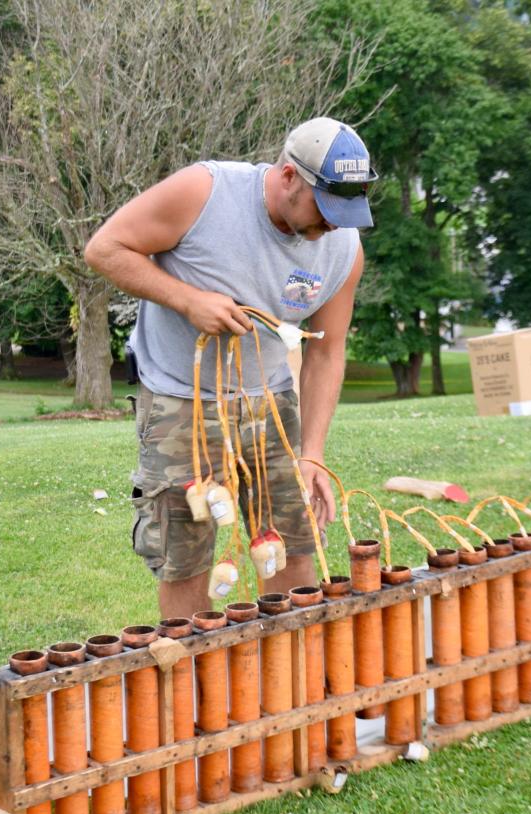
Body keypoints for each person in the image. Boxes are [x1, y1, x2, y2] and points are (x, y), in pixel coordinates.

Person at [84, 117, 376, 619]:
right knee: (185, 553)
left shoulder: (344, 249)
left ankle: (289, 679)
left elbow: (326, 351)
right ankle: (196, 682)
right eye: (324, 207)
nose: (332, 223)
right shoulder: (205, 192)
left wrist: (313, 454)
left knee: (290, 542)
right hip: (181, 400)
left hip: (271, 401)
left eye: (346, 211)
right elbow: (104, 249)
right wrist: (188, 300)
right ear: (288, 176)